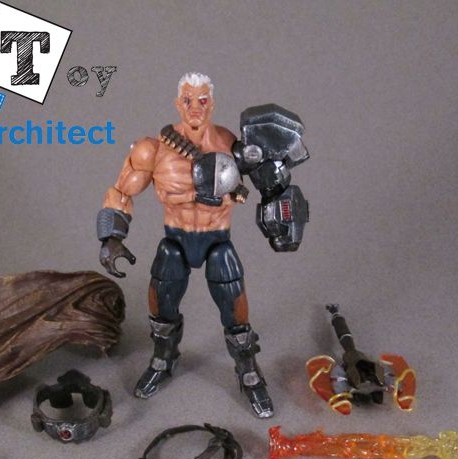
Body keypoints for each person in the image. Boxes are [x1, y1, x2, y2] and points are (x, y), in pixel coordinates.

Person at [97, 72, 308, 418]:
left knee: (234, 308)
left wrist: (283, 220)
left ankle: (248, 372)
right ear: (177, 103)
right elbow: (121, 191)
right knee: (162, 303)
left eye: (203, 100)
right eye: (187, 100)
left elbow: (275, 186)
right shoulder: (153, 150)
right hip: (176, 239)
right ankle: (163, 360)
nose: (195, 107)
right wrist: (111, 236)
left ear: (212, 103)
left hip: (216, 240)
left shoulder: (233, 146)